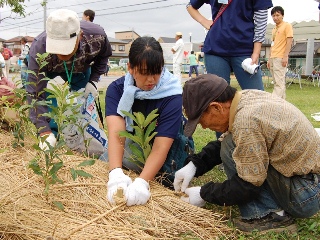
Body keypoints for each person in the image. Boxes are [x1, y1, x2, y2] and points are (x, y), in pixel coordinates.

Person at [174, 74, 320, 233]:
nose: (203, 127)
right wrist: (195, 165)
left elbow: (248, 185)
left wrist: (204, 194)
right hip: (310, 184)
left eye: (201, 120)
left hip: (305, 194)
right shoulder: (244, 99)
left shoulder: (246, 122)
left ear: (217, 107)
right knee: (230, 144)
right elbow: (227, 142)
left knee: (231, 148)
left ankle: (270, 216)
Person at [101, 36, 183, 207]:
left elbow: (161, 146)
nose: (151, 80)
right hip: (135, 143)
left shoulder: (172, 94)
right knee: (106, 161)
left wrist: (142, 182)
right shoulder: (117, 90)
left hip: (167, 149)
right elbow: (117, 134)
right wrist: (116, 172)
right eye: (145, 73)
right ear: (130, 68)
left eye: (157, 72)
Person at [26, 9, 112, 150]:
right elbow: (35, 93)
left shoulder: (97, 37)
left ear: (80, 36)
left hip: (80, 71)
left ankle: (81, 141)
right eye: (57, 48)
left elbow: (104, 57)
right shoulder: (39, 48)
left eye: (66, 48)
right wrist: (43, 131)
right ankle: (52, 139)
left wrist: (93, 81)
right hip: (50, 72)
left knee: (82, 106)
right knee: (50, 107)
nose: (61, 53)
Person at [186, 0, 273, 90]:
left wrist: (256, 52)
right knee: (218, 96)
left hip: (245, 51)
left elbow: (261, 21)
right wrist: (204, 21)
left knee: (257, 97)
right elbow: (190, 6)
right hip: (215, 50)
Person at [267, 6, 293, 99]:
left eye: (277, 15)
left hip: (280, 57)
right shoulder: (274, 28)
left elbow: (289, 41)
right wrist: (269, 59)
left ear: (282, 15)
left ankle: (273, 102)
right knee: (277, 82)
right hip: (273, 56)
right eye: (273, 16)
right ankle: (283, 105)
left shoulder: (287, 26)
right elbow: (272, 44)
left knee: (279, 83)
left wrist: (285, 56)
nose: (275, 17)